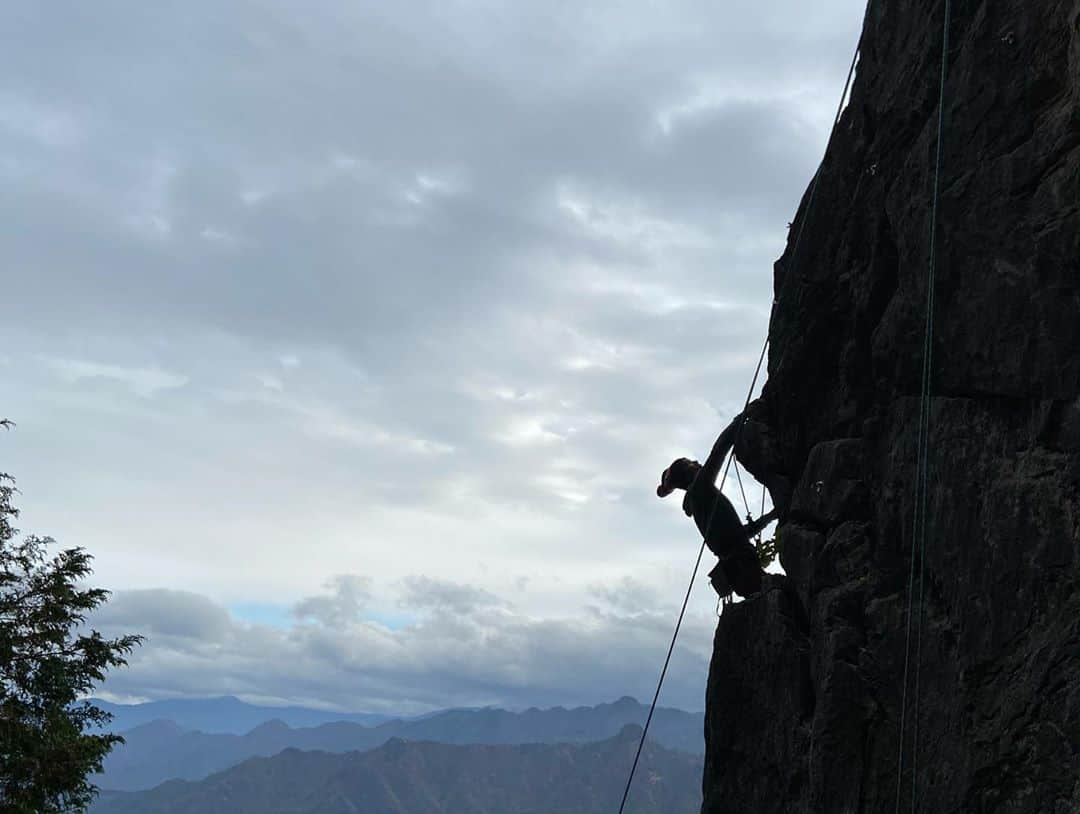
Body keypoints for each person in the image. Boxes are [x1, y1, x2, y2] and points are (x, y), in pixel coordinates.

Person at [657, 413, 776, 598]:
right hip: (743, 567)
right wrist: (740, 419)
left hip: (739, 568)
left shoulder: (700, 502)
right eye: (692, 463)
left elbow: (735, 536)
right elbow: (719, 450)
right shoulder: (700, 489)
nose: (697, 463)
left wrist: (769, 517)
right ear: (688, 472)